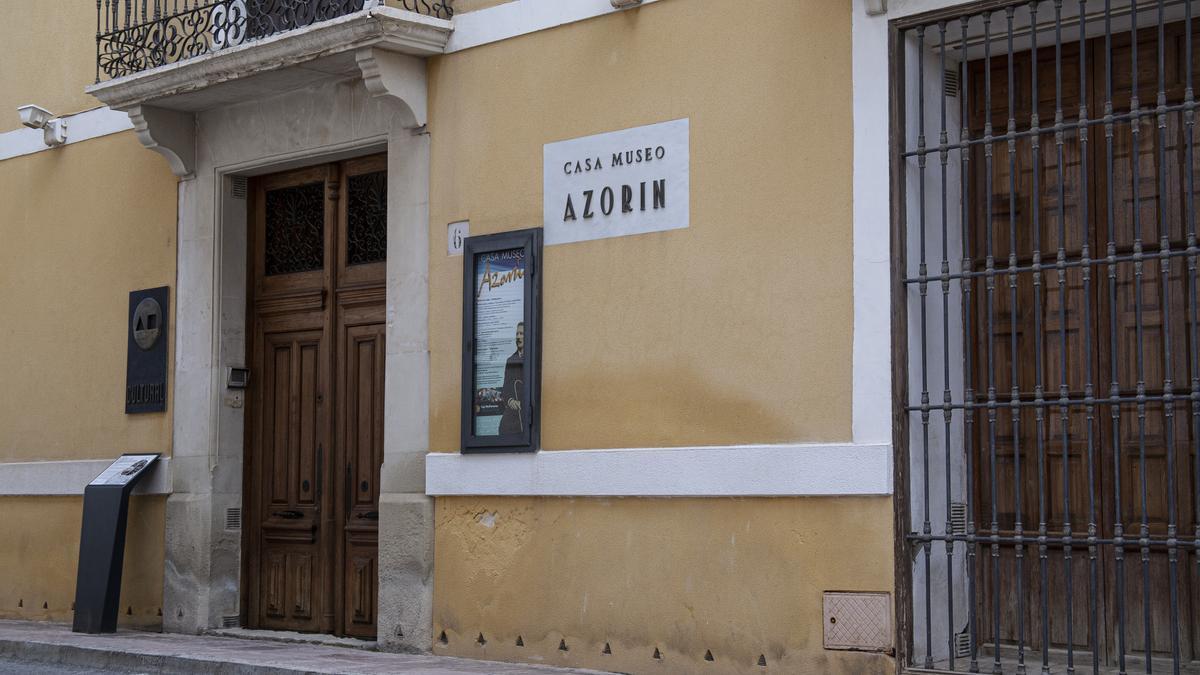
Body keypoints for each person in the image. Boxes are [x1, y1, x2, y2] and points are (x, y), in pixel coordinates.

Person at [498, 322, 524, 434]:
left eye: (521, 333)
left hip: (526, 414)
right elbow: (506, 389)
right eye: (517, 333)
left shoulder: (533, 359)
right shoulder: (511, 360)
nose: (518, 337)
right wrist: (510, 400)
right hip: (512, 414)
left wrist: (522, 403)